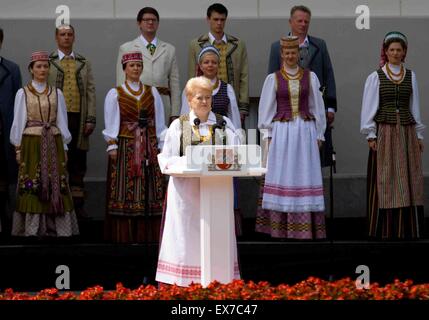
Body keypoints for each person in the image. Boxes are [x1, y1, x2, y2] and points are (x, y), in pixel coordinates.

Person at [156, 76, 241, 286]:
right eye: (199, 97)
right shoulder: (179, 125)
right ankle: (183, 281)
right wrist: (188, 163)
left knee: (216, 236)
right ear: (189, 98)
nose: (204, 102)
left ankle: (218, 278)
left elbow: (237, 154)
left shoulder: (224, 123)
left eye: (208, 98)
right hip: (187, 194)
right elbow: (166, 159)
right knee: (185, 237)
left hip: (217, 193)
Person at [256, 37, 326, 239]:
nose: (290, 56)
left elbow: (316, 107)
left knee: (303, 173)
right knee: (283, 174)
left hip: (304, 132)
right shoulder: (274, 79)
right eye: (286, 53)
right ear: (282, 54)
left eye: (293, 52)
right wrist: (267, 136)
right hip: (282, 133)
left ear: (299, 54)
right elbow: (266, 111)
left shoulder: (310, 78)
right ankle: (280, 228)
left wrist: (319, 134)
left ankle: (304, 228)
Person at [360, 31, 425, 239]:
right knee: (386, 176)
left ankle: (407, 229)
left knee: (408, 177)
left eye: (399, 50)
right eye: (392, 50)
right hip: (385, 132)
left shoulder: (411, 75)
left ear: (404, 52)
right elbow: (369, 107)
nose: (395, 53)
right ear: (385, 52)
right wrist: (371, 135)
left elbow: (415, 108)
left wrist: (419, 136)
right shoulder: (376, 76)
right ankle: (385, 230)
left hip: (406, 132)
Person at [10, 51, 78, 237]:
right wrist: (18, 147)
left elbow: (62, 122)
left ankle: (56, 227)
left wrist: (64, 145)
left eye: (45, 66)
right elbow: (18, 121)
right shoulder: (22, 93)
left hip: (54, 141)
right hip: (32, 143)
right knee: (33, 180)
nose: (42, 69)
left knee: (56, 180)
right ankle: (32, 228)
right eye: (38, 66)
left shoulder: (57, 93)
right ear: (31, 70)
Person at [103, 51, 167, 243]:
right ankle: (125, 235)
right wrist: (112, 144)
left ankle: (149, 235)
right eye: (132, 65)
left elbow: (160, 121)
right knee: (125, 187)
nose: (136, 68)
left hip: (148, 144)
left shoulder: (152, 91)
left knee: (150, 188)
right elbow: (112, 121)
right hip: (126, 146)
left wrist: (161, 144)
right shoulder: (115, 93)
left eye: (138, 65)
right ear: (124, 69)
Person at [267, 5, 336, 167]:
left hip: (312, 107)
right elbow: (272, 78)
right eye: (299, 21)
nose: (303, 24)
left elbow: (328, 74)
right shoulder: (277, 47)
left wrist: (330, 107)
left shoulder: (320, 45)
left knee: (312, 157)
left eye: (306, 21)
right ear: (290, 22)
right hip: (286, 112)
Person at [48, 24, 96, 219]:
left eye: (69, 34)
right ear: (56, 38)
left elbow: (90, 91)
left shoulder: (83, 62)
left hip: (78, 117)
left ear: (74, 37)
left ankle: (77, 207)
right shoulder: (49, 62)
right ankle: (56, 206)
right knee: (56, 160)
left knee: (77, 161)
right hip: (55, 119)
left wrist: (90, 118)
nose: (66, 38)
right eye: (62, 34)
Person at [116, 7, 180, 126]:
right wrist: (123, 108)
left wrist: (175, 112)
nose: (150, 22)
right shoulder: (127, 48)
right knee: (138, 139)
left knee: (162, 139)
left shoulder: (169, 49)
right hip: (136, 101)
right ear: (139, 23)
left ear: (158, 23)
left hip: (162, 100)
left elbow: (175, 84)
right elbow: (121, 81)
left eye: (153, 20)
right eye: (146, 20)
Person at [188, 3, 249, 126]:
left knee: (230, 134)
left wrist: (242, 107)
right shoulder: (196, 45)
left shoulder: (238, 45)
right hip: (202, 100)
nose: (219, 23)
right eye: (216, 19)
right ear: (208, 19)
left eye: (222, 20)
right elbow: (192, 75)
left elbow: (244, 76)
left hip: (229, 101)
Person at [0, 27, 22, 235]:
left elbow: (18, 104)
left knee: (6, 175)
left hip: (5, 129)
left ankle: (6, 216)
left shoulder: (12, 69)